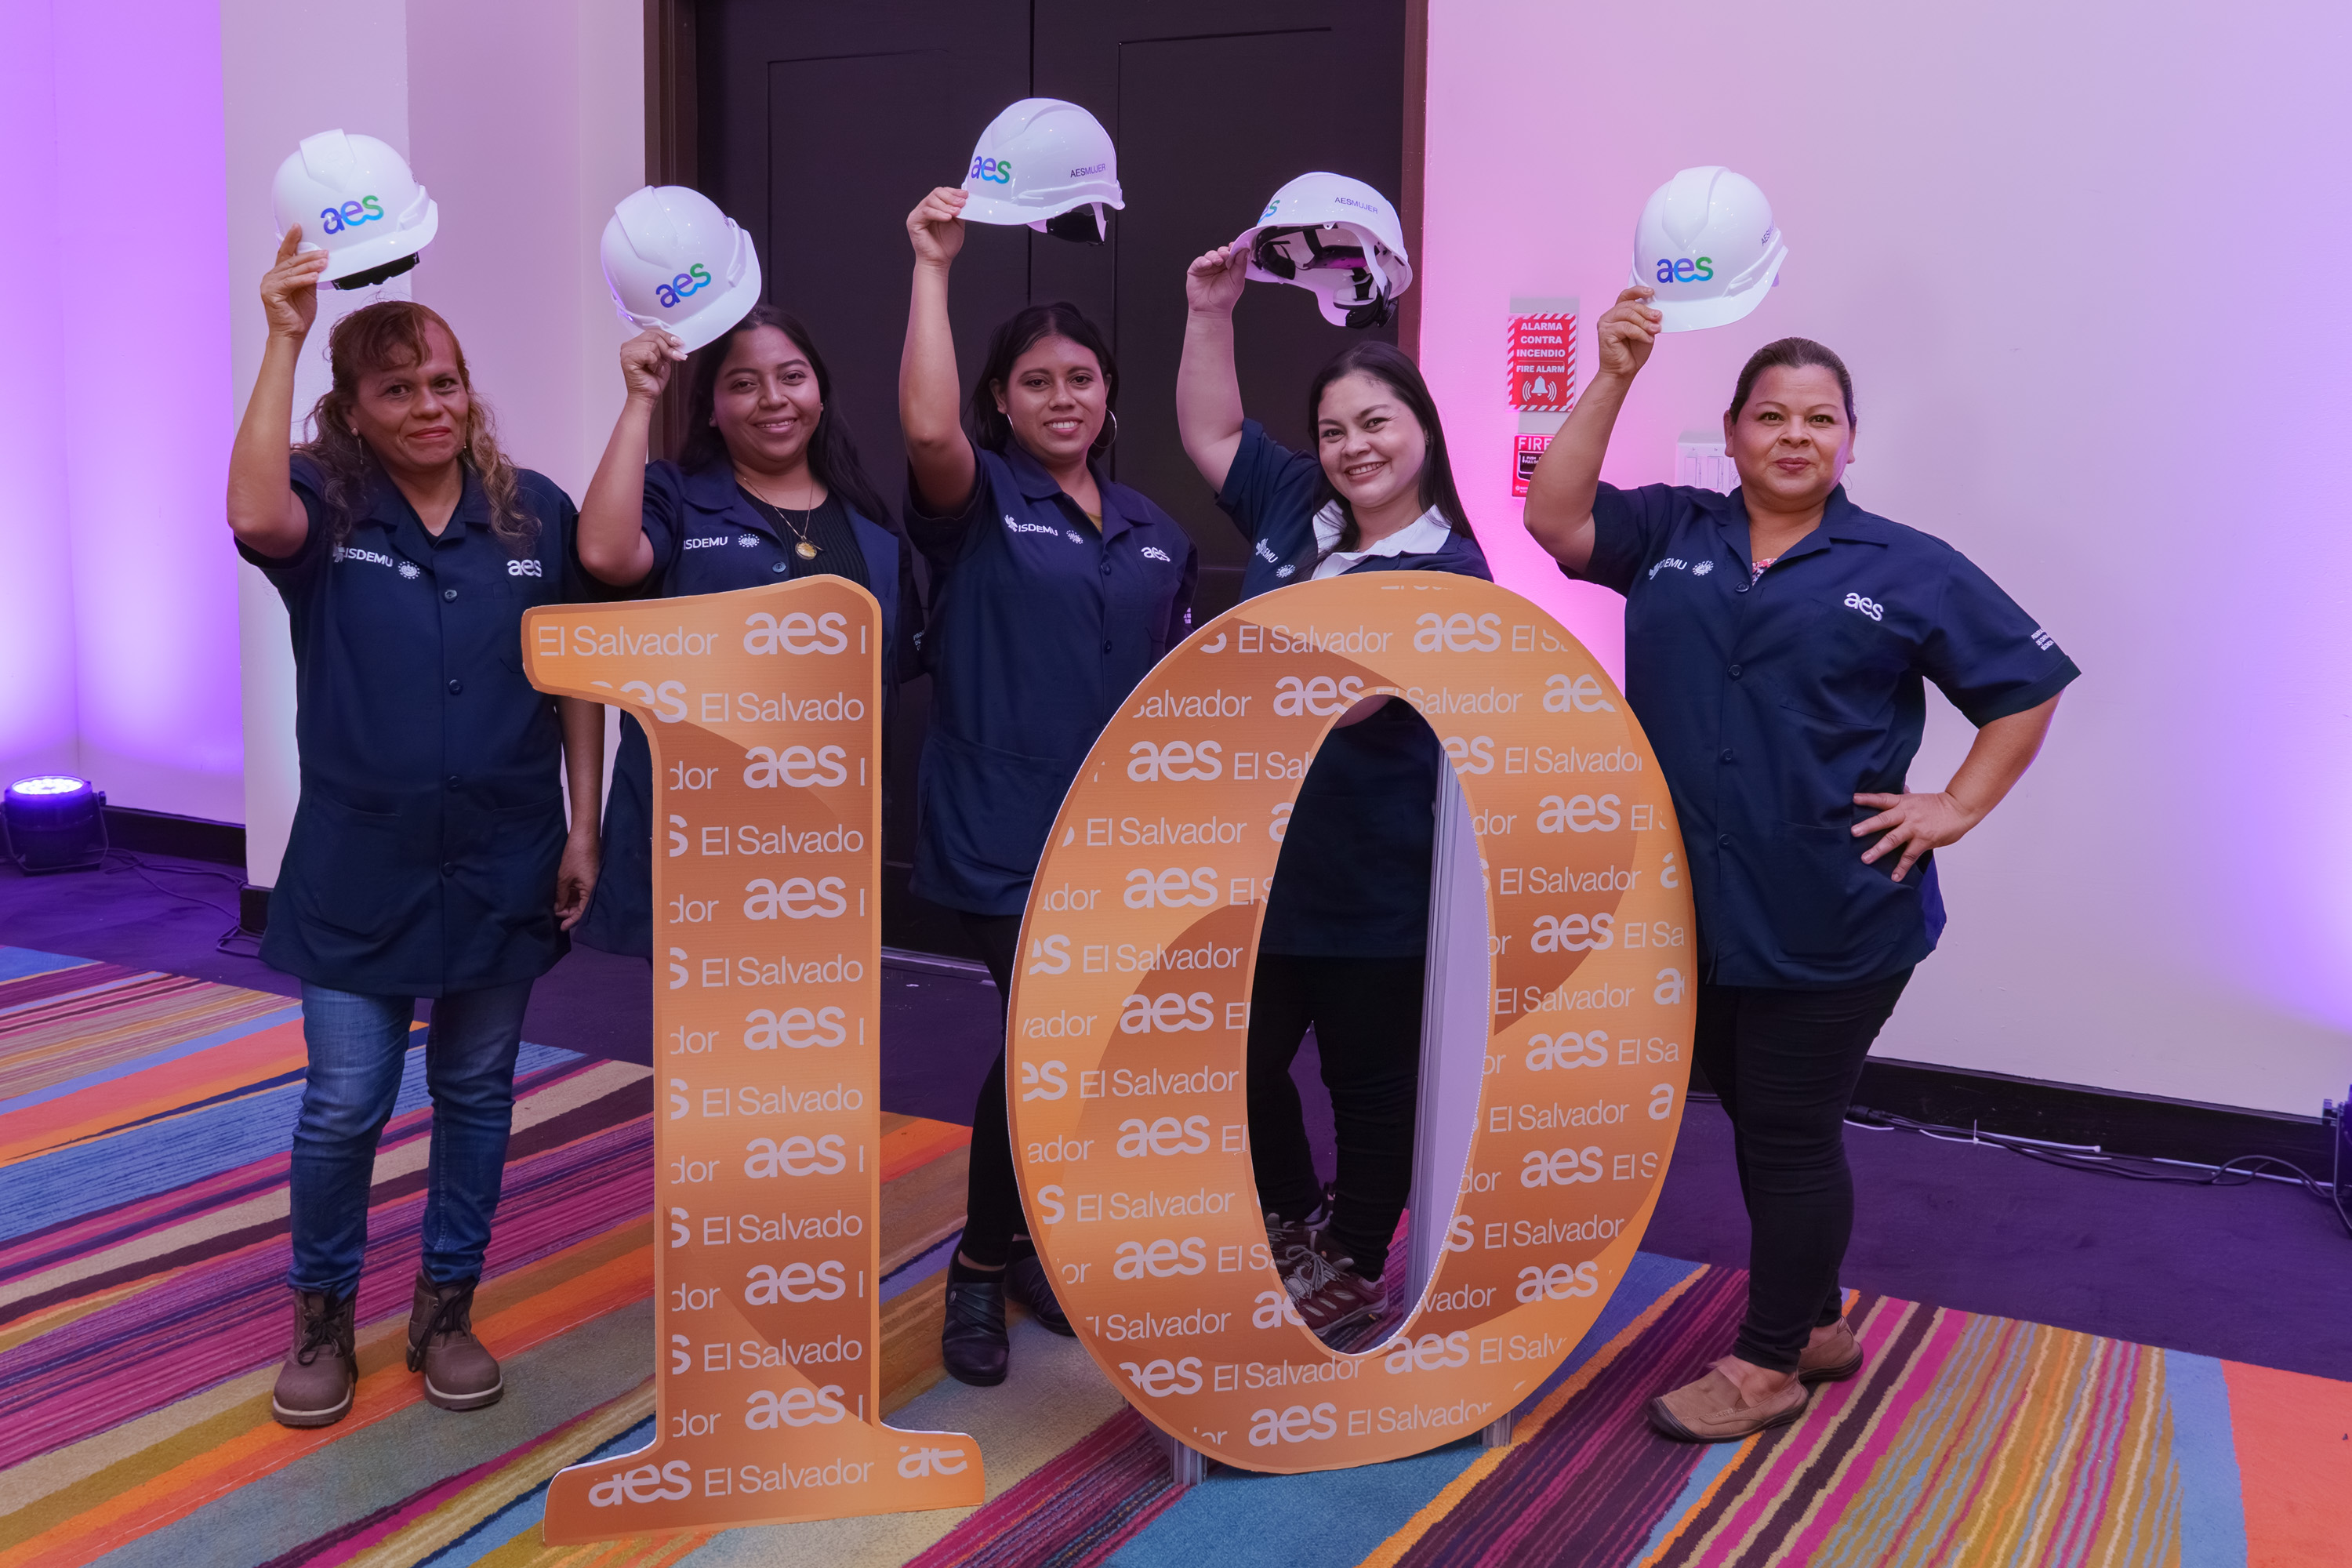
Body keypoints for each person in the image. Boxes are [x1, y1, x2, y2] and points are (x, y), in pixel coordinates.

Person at [1522, 291, 2078, 1442]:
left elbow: (2027, 687)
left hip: (1833, 912)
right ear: (1731, 435)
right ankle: (1817, 1320)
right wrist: (1614, 374)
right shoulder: (1674, 533)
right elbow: (1553, 518)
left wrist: (1957, 805)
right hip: (1696, 910)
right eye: (1770, 415)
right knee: (1765, 1117)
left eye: (1819, 419)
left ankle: (1772, 1362)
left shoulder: (1908, 566)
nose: (1793, 436)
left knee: (1786, 1130)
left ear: (1851, 441)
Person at [226, 230, 608, 1428]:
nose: (429, 405)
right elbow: (247, 511)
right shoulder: (323, 506)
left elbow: (578, 680)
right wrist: (285, 334)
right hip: (357, 868)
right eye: (398, 388)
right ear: (354, 409)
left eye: (444, 381)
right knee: (344, 1102)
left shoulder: (532, 514)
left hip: (505, 858)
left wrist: (583, 823)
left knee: (479, 1092)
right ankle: (322, 1319)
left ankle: (446, 1310)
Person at [901, 186, 1198, 1385]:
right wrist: (932, 267)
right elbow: (925, 435)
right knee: (1049, 1046)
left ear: (1109, 395)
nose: (1063, 397)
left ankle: (1023, 1247)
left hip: (1117, 845)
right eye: (1036, 381)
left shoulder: (1156, 530)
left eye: (1081, 378)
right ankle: (978, 1269)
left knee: (1074, 1055)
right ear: (999, 403)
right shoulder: (976, 506)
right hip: (1000, 835)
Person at [1177, 242, 1490, 1340]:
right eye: (1333, 430)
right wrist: (1209, 311)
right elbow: (1215, 434)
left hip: (1376, 883)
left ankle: (1356, 1258)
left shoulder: (1449, 573)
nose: (1353, 448)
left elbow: (1346, 701)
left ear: (1424, 432)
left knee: (1368, 1085)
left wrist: (1238, 650)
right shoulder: (1297, 511)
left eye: (1376, 423)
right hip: (1259, 876)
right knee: (1233, 1062)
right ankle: (1296, 1220)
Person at [571, 305, 920, 960]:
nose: (773, 400)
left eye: (792, 376)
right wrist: (640, 402)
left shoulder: (868, 528)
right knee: (711, 1040)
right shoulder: (675, 495)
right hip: (701, 829)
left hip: (825, 833)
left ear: (819, 390)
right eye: (743, 383)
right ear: (709, 408)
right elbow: (605, 556)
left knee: (814, 1039)